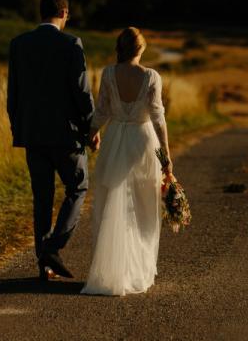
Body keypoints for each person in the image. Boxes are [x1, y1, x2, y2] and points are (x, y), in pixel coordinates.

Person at [7, 0, 99, 281]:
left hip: (33, 134)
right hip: (66, 135)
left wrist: (18, 127)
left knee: (42, 199)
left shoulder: (19, 44)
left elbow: (14, 94)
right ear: (65, 13)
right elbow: (81, 91)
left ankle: (44, 266)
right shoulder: (71, 44)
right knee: (79, 187)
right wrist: (91, 128)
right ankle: (53, 247)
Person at [82, 27, 173, 296]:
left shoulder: (109, 74)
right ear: (141, 49)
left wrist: (92, 133)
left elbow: (102, 111)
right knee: (143, 207)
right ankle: (137, 271)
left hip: (115, 140)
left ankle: (111, 271)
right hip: (143, 142)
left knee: (112, 202)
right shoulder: (152, 77)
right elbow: (158, 118)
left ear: (119, 48)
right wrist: (166, 156)